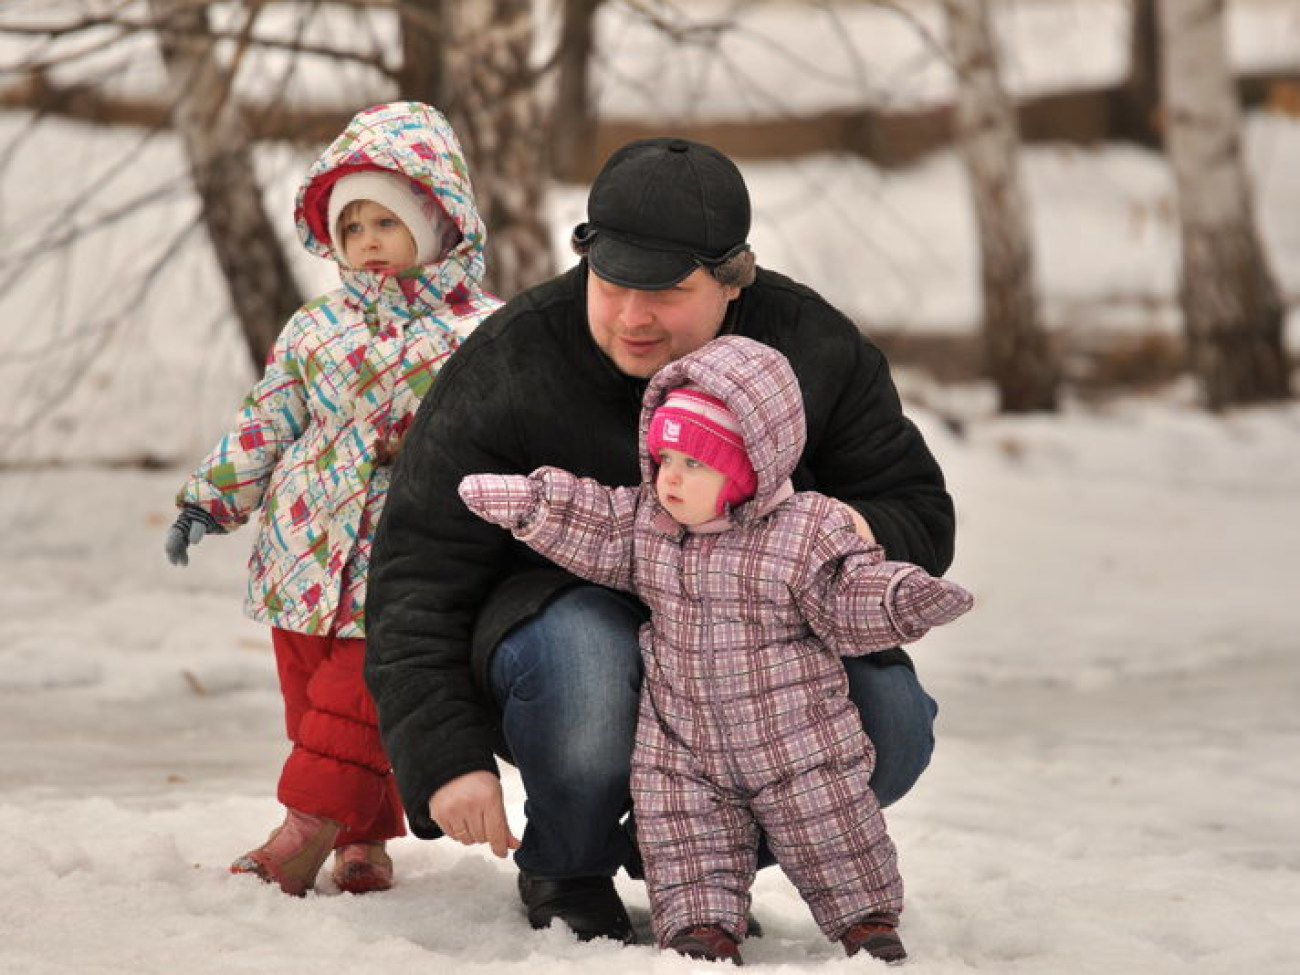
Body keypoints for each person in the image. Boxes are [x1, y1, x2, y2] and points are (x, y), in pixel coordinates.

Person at [365, 137, 956, 941]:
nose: (634, 316)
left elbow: (916, 506)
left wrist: (827, 532)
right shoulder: (511, 363)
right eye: (612, 285)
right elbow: (416, 575)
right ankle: (568, 860)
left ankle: (690, 846)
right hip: (565, 639)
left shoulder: (812, 344)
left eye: (668, 292)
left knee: (892, 718)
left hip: (763, 643)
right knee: (587, 657)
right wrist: (444, 756)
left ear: (731, 279)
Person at [458, 335, 973, 964]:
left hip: (795, 737)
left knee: (832, 827)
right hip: (684, 742)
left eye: (694, 464)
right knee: (687, 840)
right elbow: (590, 520)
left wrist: (901, 600)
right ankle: (702, 928)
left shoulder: (805, 530)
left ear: (750, 466)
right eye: (664, 456)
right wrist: (531, 503)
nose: (669, 478)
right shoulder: (649, 523)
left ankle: (865, 919)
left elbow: (846, 590)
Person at [164, 102, 499, 897]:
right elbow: (267, 417)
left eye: (388, 220)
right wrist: (209, 500)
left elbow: (508, 433)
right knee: (314, 705)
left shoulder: (482, 333)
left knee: (354, 702)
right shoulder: (317, 327)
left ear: (440, 220)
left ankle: (301, 832)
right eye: (352, 227)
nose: (370, 241)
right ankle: (362, 839)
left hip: (407, 557)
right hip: (302, 554)